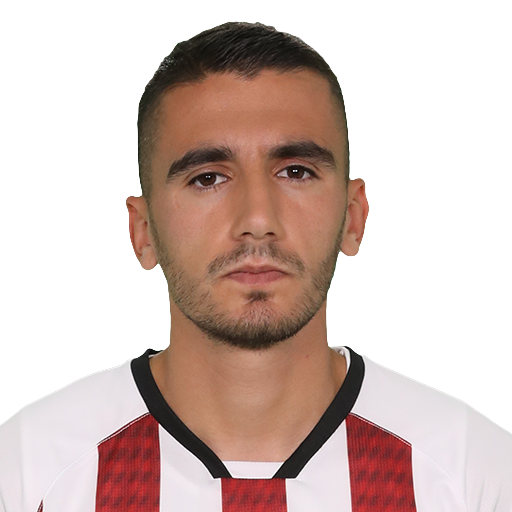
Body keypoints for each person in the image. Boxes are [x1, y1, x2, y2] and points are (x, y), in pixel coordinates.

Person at [0, 21, 511, 512]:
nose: (258, 220)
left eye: (296, 171)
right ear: (144, 230)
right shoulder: (28, 474)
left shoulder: (476, 476)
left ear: (353, 217)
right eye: (207, 178)